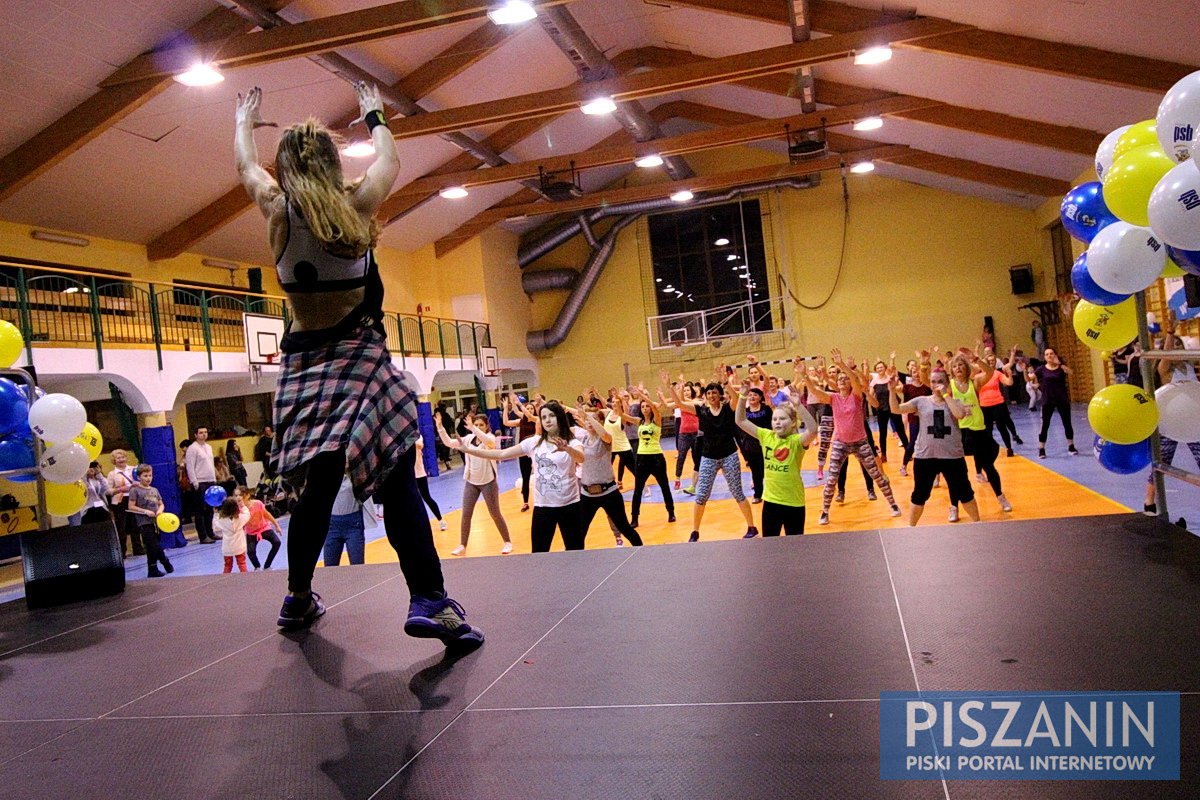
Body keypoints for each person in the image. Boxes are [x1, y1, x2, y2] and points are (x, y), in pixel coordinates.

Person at [235, 82, 481, 645]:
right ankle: (429, 601)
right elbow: (391, 161)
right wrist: (374, 115)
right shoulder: (354, 205)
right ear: (331, 161)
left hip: (304, 365)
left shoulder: (277, 209)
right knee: (396, 479)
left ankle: (297, 599)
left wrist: (244, 123)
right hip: (361, 360)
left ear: (287, 167)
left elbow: (247, 167)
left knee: (316, 490)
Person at [458, 401, 585, 552]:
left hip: (569, 504)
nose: (547, 420)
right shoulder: (534, 442)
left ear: (559, 417)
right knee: (539, 553)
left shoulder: (572, 441)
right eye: (544, 417)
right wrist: (470, 450)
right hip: (543, 507)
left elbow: (581, 458)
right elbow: (501, 453)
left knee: (576, 552)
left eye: (551, 416)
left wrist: (567, 449)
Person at [799, 350, 901, 525]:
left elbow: (854, 379)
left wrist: (841, 366)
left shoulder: (856, 395)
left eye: (844, 378)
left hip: (861, 442)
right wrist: (804, 376)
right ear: (835, 384)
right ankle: (824, 511)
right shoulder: (833, 398)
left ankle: (893, 504)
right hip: (840, 443)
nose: (842, 381)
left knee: (876, 474)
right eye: (839, 379)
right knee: (831, 479)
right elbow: (815, 390)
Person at [663, 369, 758, 542]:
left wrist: (726, 383)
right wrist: (669, 386)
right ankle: (695, 531)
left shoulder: (728, 408)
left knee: (737, 492)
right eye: (708, 393)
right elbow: (679, 404)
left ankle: (752, 527)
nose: (711, 395)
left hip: (729, 455)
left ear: (720, 395)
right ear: (705, 396)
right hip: (708, 457)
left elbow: (736, 399)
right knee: (701, 495)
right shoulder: (702, 410)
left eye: (714, 392)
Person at [888, 371, 980, 526]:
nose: (936, 384)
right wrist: (891, 390)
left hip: (952, 456)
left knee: (965, 492)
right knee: (920, 494)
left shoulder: (955, 402)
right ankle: (912, 527)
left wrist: (945, 395)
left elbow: (959, 414)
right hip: (925, 457)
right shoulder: (921, 401)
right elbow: (896, 409)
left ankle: (979, 524)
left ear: (947, 382)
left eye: (940, 381)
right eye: (933, 381)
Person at [735, 371, 818, 536]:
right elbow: (740, 420)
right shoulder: (767, 436)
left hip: (794, 503)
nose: (777, 422)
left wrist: (799, 406)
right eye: (775, 419)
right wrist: (742, 397)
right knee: (770, 547)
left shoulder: (796, 441)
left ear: (793, 421)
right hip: (771, 503)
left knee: (794, 547)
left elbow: (813, 430)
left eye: (782, 419)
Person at [436, 415, 513, 556]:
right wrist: (440, 427)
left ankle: (507, 542)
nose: (478, 427)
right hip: (471, 482)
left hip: (488, 482)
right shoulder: (468, 439)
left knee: (495, 513)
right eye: (476, 425)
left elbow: (489, 442)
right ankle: (462, 545)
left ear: (487, 426)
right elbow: (449, 443)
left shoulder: (489, 439)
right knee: (466, 514)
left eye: (481, 425)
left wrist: (473, 428)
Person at [948, 353, 1013, 516]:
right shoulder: (950, 386)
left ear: (966, 367)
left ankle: (1001, 497)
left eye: (961, 365)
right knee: (955, 471)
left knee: (989, 467)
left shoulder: (974, 382)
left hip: (978, 430)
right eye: (955, 366)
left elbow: (990, 373)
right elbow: (931, 384)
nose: (958, 368)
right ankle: (954, 506)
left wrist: (976, 359)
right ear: (952, 370)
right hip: (960, 432)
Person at [571, 405, 643, 546]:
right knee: (579, 532)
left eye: (594, 419)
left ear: (600, 423)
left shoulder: (605, 439)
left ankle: (641, 551)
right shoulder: (582, 440)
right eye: (588, 420)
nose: (590, 422)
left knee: (624, 527)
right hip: (587, 495)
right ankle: (575, 561)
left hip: (609, 492)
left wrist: (587, 416)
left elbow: (604, 434)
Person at [628, 388, 675, 527]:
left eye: (646, 406)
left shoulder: (657, 421)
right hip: (642, 458)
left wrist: (643, 396)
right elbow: (624, 416)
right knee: (638, 489)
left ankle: (671, 512)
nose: (645, 408)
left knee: (664, 486)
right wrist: (620, 402)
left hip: (656, 457)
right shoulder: (639, 422)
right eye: (642, 406)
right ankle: (634, 518)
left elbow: (655, 407)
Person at [126, 464, 174, 577]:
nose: (148, 478)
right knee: (151, 545)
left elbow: (161, 504)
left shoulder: (154, 490)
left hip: (156, 522)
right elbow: (131, 506)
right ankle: (155, 567)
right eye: (145, 476)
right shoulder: (135, 490)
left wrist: (160, 511)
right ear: (139, 477)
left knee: (156, 544)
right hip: (144, 522)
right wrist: (144, 511)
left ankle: (164, 562)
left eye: (150, 475)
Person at [1035, 347, 1077, 458]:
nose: (1049, 356)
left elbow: (1071, 372)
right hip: (1048, 400)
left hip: (1062, 399)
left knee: (1067, 423)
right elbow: (1030, 379)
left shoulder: (1061, 368)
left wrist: (1060, 364)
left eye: (1051, 353)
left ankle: (1071, 445)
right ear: (1044, 357)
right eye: (1047, 354)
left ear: (1055, 355)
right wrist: (1025, 371)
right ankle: (1041, 448)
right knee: (1045, 425)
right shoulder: (1041, 369)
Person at [323, 474, 370, 566]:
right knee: (329, 568)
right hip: (332, 527)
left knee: (357, 566)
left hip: (353, 525)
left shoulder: (356, 476)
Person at [106, 449, 143, 556]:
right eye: (118, 458)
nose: (121, 459)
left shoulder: (133, 469)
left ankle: (138, 548)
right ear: (114, 460)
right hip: (119, 502)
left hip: (133, 499)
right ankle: (122, 552)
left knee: (135, 525)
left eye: (123, 457)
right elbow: (108, 491)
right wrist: (122, 489)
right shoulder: (112, 474)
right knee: (121, 527)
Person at [186, 426, 220, 543]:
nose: (204, 435)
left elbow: (211, 464)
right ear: (195, 435)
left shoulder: (209, 447)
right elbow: (190, 466)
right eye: (201, 433)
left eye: (205, 432)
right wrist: (194, 482)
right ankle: (203, 535)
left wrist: (214, 479)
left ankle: (211, 532)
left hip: (210, 480)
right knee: (201, 510)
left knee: (210, 509)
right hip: (200, 482)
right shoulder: (192, 448)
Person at [237, 486, 283, 570]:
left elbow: (267, 514)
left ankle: (267, 565)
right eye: (236, 495)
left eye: (240, 495)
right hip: (251, 532)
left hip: (264, 528)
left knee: (277, 542)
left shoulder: (257, 503)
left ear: (247, 495)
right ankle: (257, 567)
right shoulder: (238, 509)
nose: (238, 497)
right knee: (251, 552)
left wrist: (277, 525)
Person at [413, 437, 446, 531]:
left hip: (419, 474)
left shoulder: (417, 437)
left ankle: (441, 520)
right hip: (409, 475)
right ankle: (418, 526)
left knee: (426, 497)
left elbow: (420, 445)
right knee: (413, 501)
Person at [214, 496, 251, 573]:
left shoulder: (222, 521)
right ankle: (246, 579)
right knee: (242, 563)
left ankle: (225, 583)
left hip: (227, 547)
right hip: (239, 546)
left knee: (227, 565)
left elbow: (215, 524)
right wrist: (243, 506)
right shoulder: (241, 518)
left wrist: (216, 513)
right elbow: (247, 514)